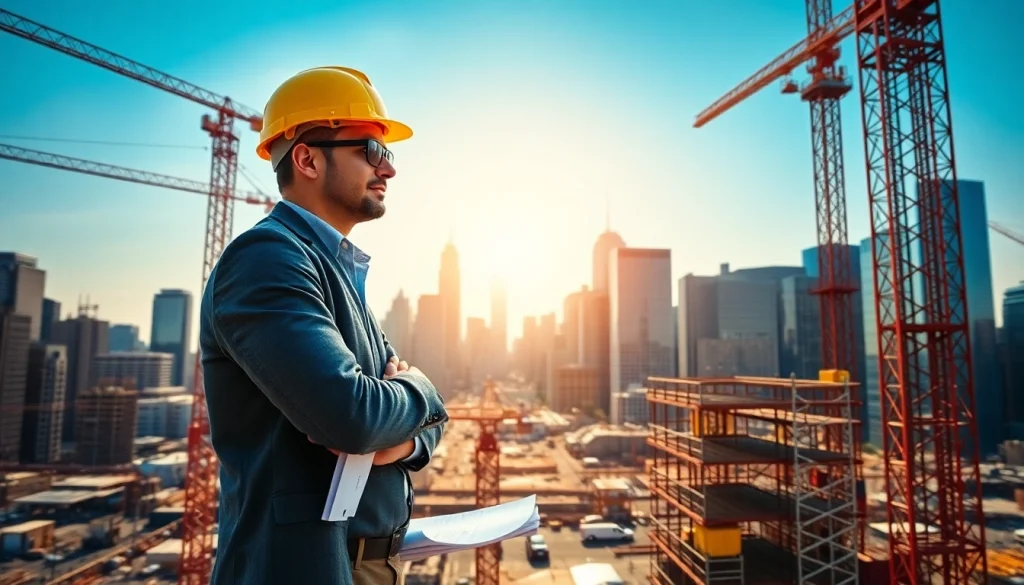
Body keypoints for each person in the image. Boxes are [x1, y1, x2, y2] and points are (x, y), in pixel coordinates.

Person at [199, 66, 448, 585]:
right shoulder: (266, 259)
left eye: (388, 153)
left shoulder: (334, 270)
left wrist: (401, 441)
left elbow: (423, 427)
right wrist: (421, 387)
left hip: (371, 565)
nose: (388, 169)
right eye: (371, 150)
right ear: (308, 159)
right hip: (302, 569)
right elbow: (352, 417)